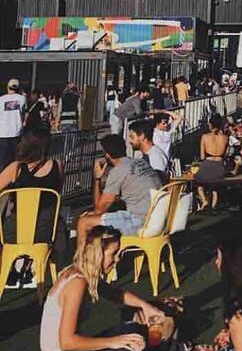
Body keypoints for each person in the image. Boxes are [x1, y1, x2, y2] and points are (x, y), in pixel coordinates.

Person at [40, 225, 168, 351]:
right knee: (135, 349)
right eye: (113, 254)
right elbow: (67, 342)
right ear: (98, 254)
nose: (117, 259)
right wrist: (113, 342)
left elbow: (115, 294)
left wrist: (146, 306)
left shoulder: (80, 271)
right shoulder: (77, 283)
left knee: (133, 331)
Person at [76, 134, 163, 245]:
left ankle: (82, 256)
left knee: (83, 222)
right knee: (96, 216)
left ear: (107, 154)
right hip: (156, 218)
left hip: (140, 222)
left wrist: (97, 178)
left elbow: (99, 209)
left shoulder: (118, 171)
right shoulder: (142, 162)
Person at [0, 130, 67, 269]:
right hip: (47, 231)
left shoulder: (16, 168)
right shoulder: (58, 165)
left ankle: (14, 265)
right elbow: (57, 191)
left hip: (15, 232)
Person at [195, 115, 229, 212]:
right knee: (215, 186)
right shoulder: (225, 138)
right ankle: (214, 205)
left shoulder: (205, 137)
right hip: (219, 165)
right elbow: (226, 154)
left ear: (210, 124)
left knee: (199, 184)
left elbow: (202, 157)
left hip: (207, 163)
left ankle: (204, 200)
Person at [0, 78, 26, 170]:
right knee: (16, 161)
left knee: (3, 161)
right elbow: (23, 114)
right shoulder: (22, 98)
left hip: (2, 133)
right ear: (18, 88)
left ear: (8, 87)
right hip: (16, 132)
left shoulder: (1, 99)